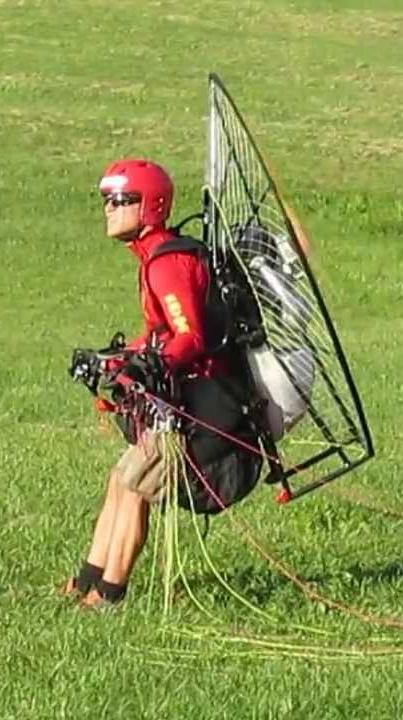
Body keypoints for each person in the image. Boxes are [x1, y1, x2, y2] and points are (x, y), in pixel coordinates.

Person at [62, 159, 262, 610]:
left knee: (135, 483)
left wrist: (149, 366)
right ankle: (86, 579)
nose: (110, 209)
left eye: (121, 200)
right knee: (120, 479)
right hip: (194, 396)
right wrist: (122, 357)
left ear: (150, 205)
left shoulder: (167, 262)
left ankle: (108, 597)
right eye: (107, 200)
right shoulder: (155, 256)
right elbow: (162, 332)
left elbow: (189, 336)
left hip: (213, 408)